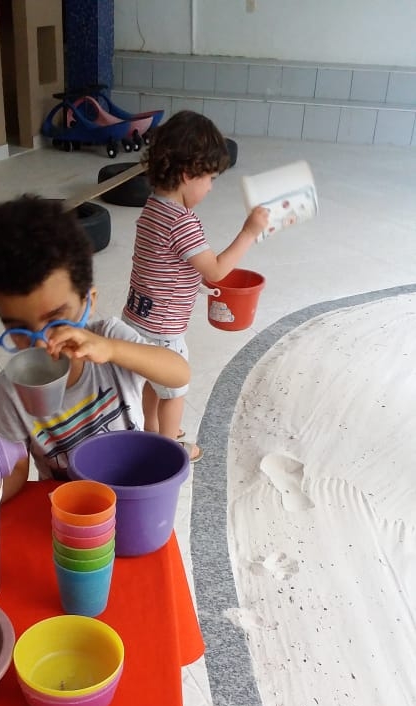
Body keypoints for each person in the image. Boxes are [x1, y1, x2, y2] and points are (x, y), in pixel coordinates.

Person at [0, 194, 190, 501]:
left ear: (88, 301)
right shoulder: (12, 390)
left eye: (56, 320)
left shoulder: (110, 339)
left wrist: (112, 350)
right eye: (18, 329)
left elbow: (178, 373)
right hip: (72, 513)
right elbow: (13, 469)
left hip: (132, 497)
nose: (41, 343)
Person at [122, 110, 269, 461]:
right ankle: (166, 452)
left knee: (152, 379)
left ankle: (151, 430)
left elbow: (172, 264)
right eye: (210, 179)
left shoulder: (152, 207)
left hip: (136, 320)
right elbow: (216, 270)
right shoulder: (183, 222)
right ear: (188, 174)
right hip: (164, 332)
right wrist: (249, 232)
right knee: (174, 389)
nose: (211, 187)